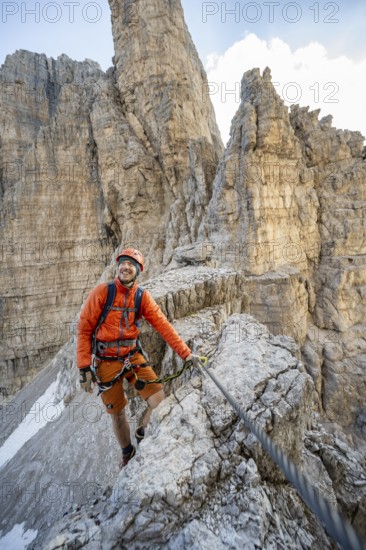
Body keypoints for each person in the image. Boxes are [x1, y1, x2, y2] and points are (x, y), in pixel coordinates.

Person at [77, 247, 194, 468]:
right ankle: (127, 453)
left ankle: (142, 435)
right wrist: (84, 368)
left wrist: (186, 353)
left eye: (131, 264)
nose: (126, 266)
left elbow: (163, 326)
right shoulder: (102, 293)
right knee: (118, 414)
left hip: (132, 357)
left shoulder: (142, 297)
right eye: (123, 262)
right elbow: (84, 330)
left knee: (159, 402)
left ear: (138, 270)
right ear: (118, 266)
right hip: (105, 362)